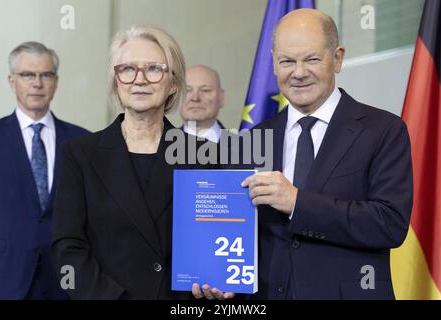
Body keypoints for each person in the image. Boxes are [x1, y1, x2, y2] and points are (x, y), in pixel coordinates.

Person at [193, 8, 413, 300]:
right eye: (287, 61)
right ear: (273, 63)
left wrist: (297, 202)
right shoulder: (251, 140)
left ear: (337, 58)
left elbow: (389, 224)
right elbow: (236, 237)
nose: (298, 72)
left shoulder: (383, 130)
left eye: (311, 59)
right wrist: (218, 277)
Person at [51, 26, 216, 300]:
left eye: (153, 69)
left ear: (173, 83)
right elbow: (67, 250)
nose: (140, 80)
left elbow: (214, 244)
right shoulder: (79, 155)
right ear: (116, 81)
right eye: (127, 69)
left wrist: (216, 283)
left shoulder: (206, 156)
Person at [0, 42, 89, 299]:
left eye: (45, 75)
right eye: (27, 75)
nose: (37, 83)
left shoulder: (83, 143)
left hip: (65, 280)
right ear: (12, 81)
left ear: (55, 82)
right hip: (4, 277)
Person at [180, 65, 225, 143]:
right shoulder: (157, 148)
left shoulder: (245, 149)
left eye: (205, 90)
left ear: (221, 97)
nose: (195, 98)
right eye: (187, 91)